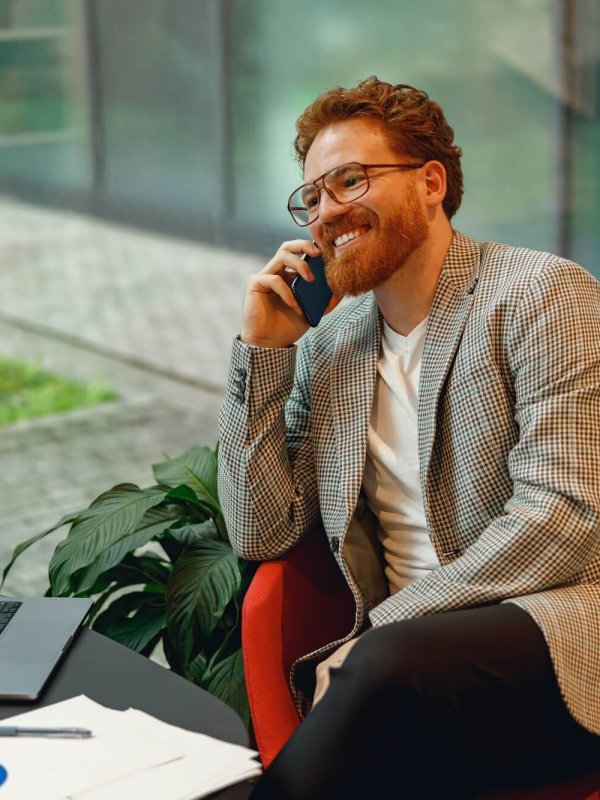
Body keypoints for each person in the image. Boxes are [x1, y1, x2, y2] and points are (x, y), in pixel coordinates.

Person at [217, 77, 600, 798]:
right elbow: (261, 531)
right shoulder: (331, 352)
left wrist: (380, 632)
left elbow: (560, 518)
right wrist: (264, 354)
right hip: (406, 678)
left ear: (430, 183)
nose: (329, 211)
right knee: (389, 687)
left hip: (558, 646)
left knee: (389, 675)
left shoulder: (542, 295)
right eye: (314, 196)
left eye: (351, 181)